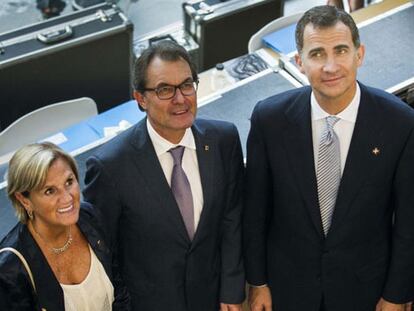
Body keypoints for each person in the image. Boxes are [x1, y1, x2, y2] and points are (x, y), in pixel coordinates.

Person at [243, 5, 414, 311]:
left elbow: (408, 221)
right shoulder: (268, 120)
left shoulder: (401, 123)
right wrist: (258, 283)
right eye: (317, 54)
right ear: (299, 62)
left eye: (341, 50)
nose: (331, 66)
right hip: (288, 290)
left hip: (366, 291)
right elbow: (255, 212)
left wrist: (396, 295)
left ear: (359, 55)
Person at [83, 40, 245, 310]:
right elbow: (103, 253)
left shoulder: (223, 140)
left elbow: (232, 219)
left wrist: (231, 289)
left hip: (214, 298)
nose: (180, 98)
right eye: (164, 90)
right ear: (140, 99)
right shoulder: (110, 167)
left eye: (186, 84)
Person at [0, 142, 130, 310]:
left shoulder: (90, 218)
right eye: (50, 191)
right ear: (24, 200)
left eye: (69, 182)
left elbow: (120, 290)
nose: (67, 198)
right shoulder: (9, 269)